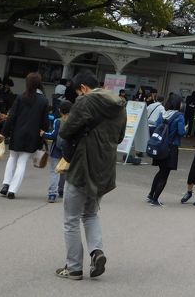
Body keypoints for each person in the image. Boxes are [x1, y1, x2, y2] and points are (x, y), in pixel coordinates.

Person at [55, 70, 127, 280]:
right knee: (91, 214)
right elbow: (120, 137)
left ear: (84, 88)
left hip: (82, 167)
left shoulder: (85, 102)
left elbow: (65, 131)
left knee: (71, 219)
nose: (78, 96)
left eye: (78, 92)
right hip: (104, 169)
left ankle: (74, 267)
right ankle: (97, 252)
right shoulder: (120, 105)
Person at [0, 72, 49, 199]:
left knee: (12, 158)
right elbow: (45, 122)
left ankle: (5, 184)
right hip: (32, 136)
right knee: (22, 162)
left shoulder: (21, 97)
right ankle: (12, 190)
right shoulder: (43, 100)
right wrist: (43, 133)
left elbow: (12, 117)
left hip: (17, 134)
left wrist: (3, 132)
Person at [147, 94, 186, 206]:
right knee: (164, 174)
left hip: (160, 146)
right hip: (171, 147)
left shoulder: (163, 113)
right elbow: (181, 132)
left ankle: (151, 195)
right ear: (179, 104)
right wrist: (185, 128)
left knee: (160, 171)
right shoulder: (179, 116)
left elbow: (156, 126)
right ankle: (155, 199)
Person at [45, 100, 73, 202]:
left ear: (60, 110)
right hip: (69, 151)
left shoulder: (58, 121)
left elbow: (53, 135)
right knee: (64, 172)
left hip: (56, 150)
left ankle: (52, 193)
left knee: (54, 172)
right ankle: (61, 190)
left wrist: (43, 134)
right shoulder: (74, 121)